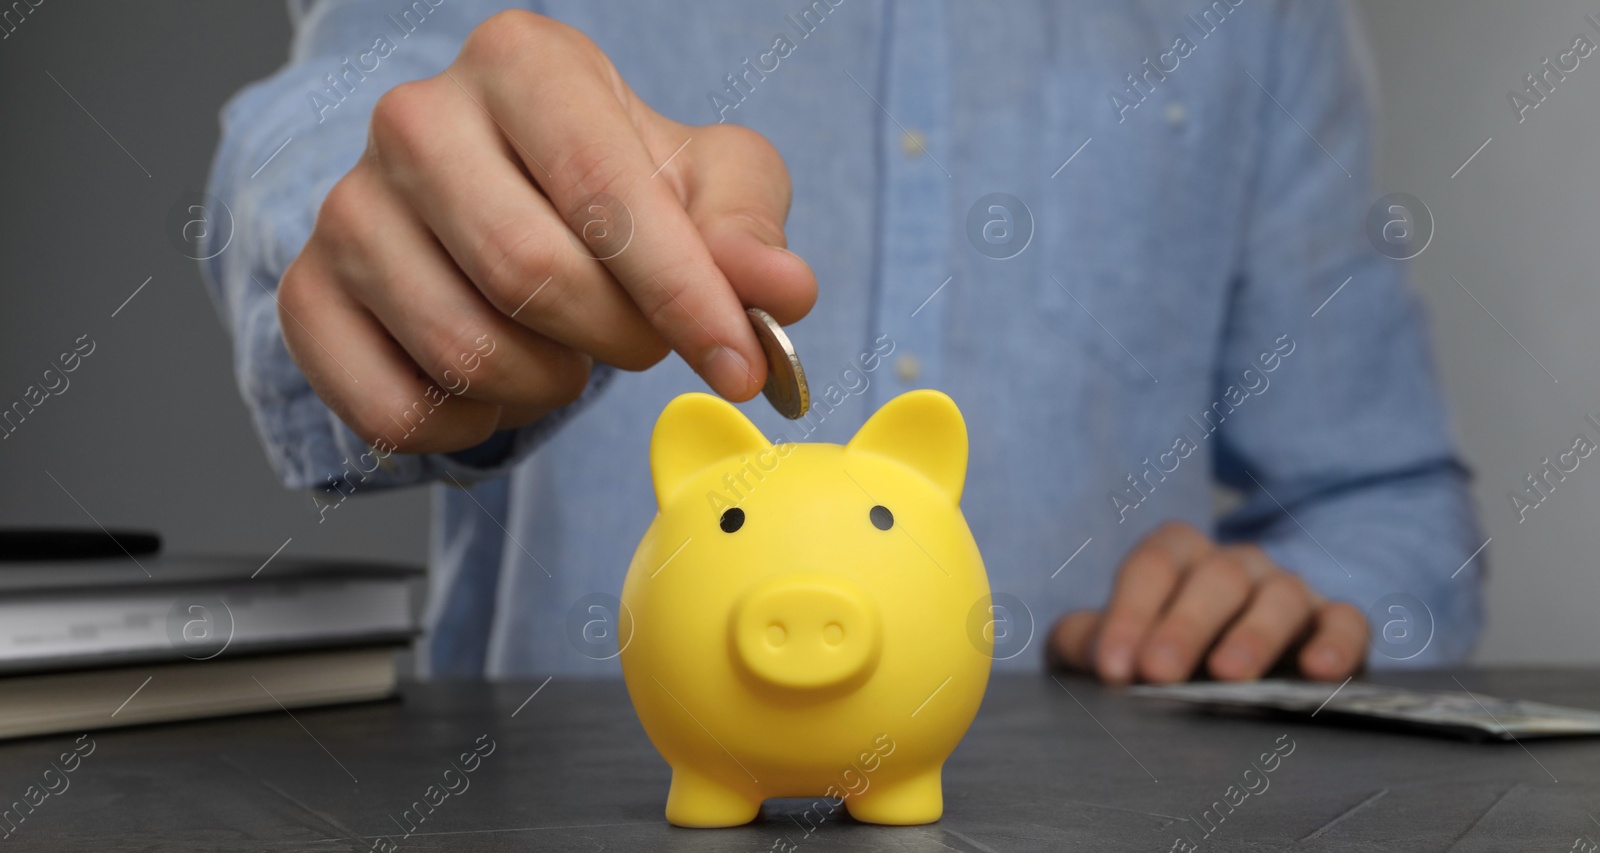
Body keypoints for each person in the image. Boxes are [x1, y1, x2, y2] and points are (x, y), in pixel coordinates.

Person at [202, 0, 1485, 682]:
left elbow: (1386, 501)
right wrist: (380, 218)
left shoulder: (1257, 13)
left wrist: (1312, 606)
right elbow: (348, 109)